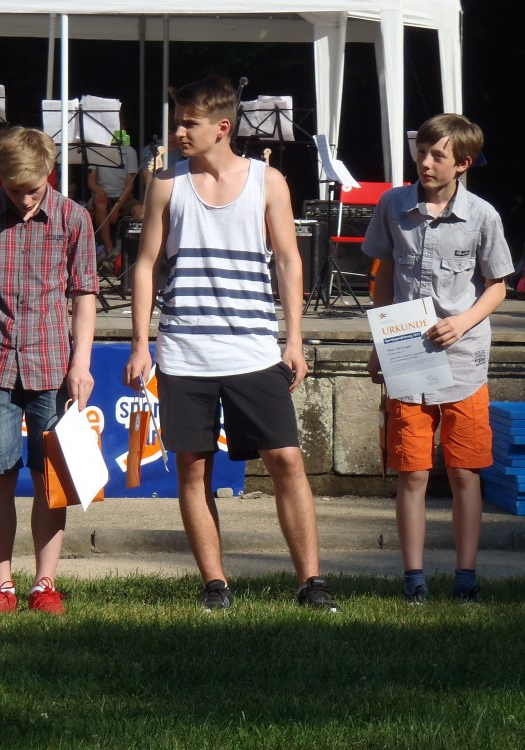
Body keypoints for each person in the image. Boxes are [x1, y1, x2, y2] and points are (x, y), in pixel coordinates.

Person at [123, 76, 338, 613]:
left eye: (188, 123)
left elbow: (288, 260)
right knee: (193, 468)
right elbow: (146, 265)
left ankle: (312, 582)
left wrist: (294, 338)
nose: (178, 132)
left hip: (253, 348)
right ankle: (215, 585)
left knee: (286, 460)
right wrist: (140, 343)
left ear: (222, 127)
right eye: (176, 121)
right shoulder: (166, 184)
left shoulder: (269, 181)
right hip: (184, 350)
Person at [362, 114, 514, 605]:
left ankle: (465, 575)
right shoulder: (392, 205)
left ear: (463, 164)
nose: (425, 162)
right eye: (422, 152)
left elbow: (497, 286)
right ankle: (414, 577)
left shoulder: (483, 216)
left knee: (466, 471)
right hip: (406, 356)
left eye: (437, 155)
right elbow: (384, 275)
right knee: (412, 471)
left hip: (464, 361)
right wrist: (378, 342)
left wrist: (463, 322)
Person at [0, 127, 98, 615]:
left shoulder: (74, 218)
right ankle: (2, 586)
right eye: (15, 190)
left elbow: (84, 293)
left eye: (34, 189)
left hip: (53, 365)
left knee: (49, 477)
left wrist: (81, 362)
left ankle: (44, 583)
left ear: (49, 173)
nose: (26, 199)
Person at [87, 129, 142, 262]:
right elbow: (91, 181)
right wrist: (99, 190)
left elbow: (130, 184)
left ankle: (134, 252)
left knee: (140, 211)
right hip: (103, 194)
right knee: (100, 202)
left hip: (124, 196)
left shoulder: (130, 152)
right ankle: (109, 249)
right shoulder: (97, 150)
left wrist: (116, 208)